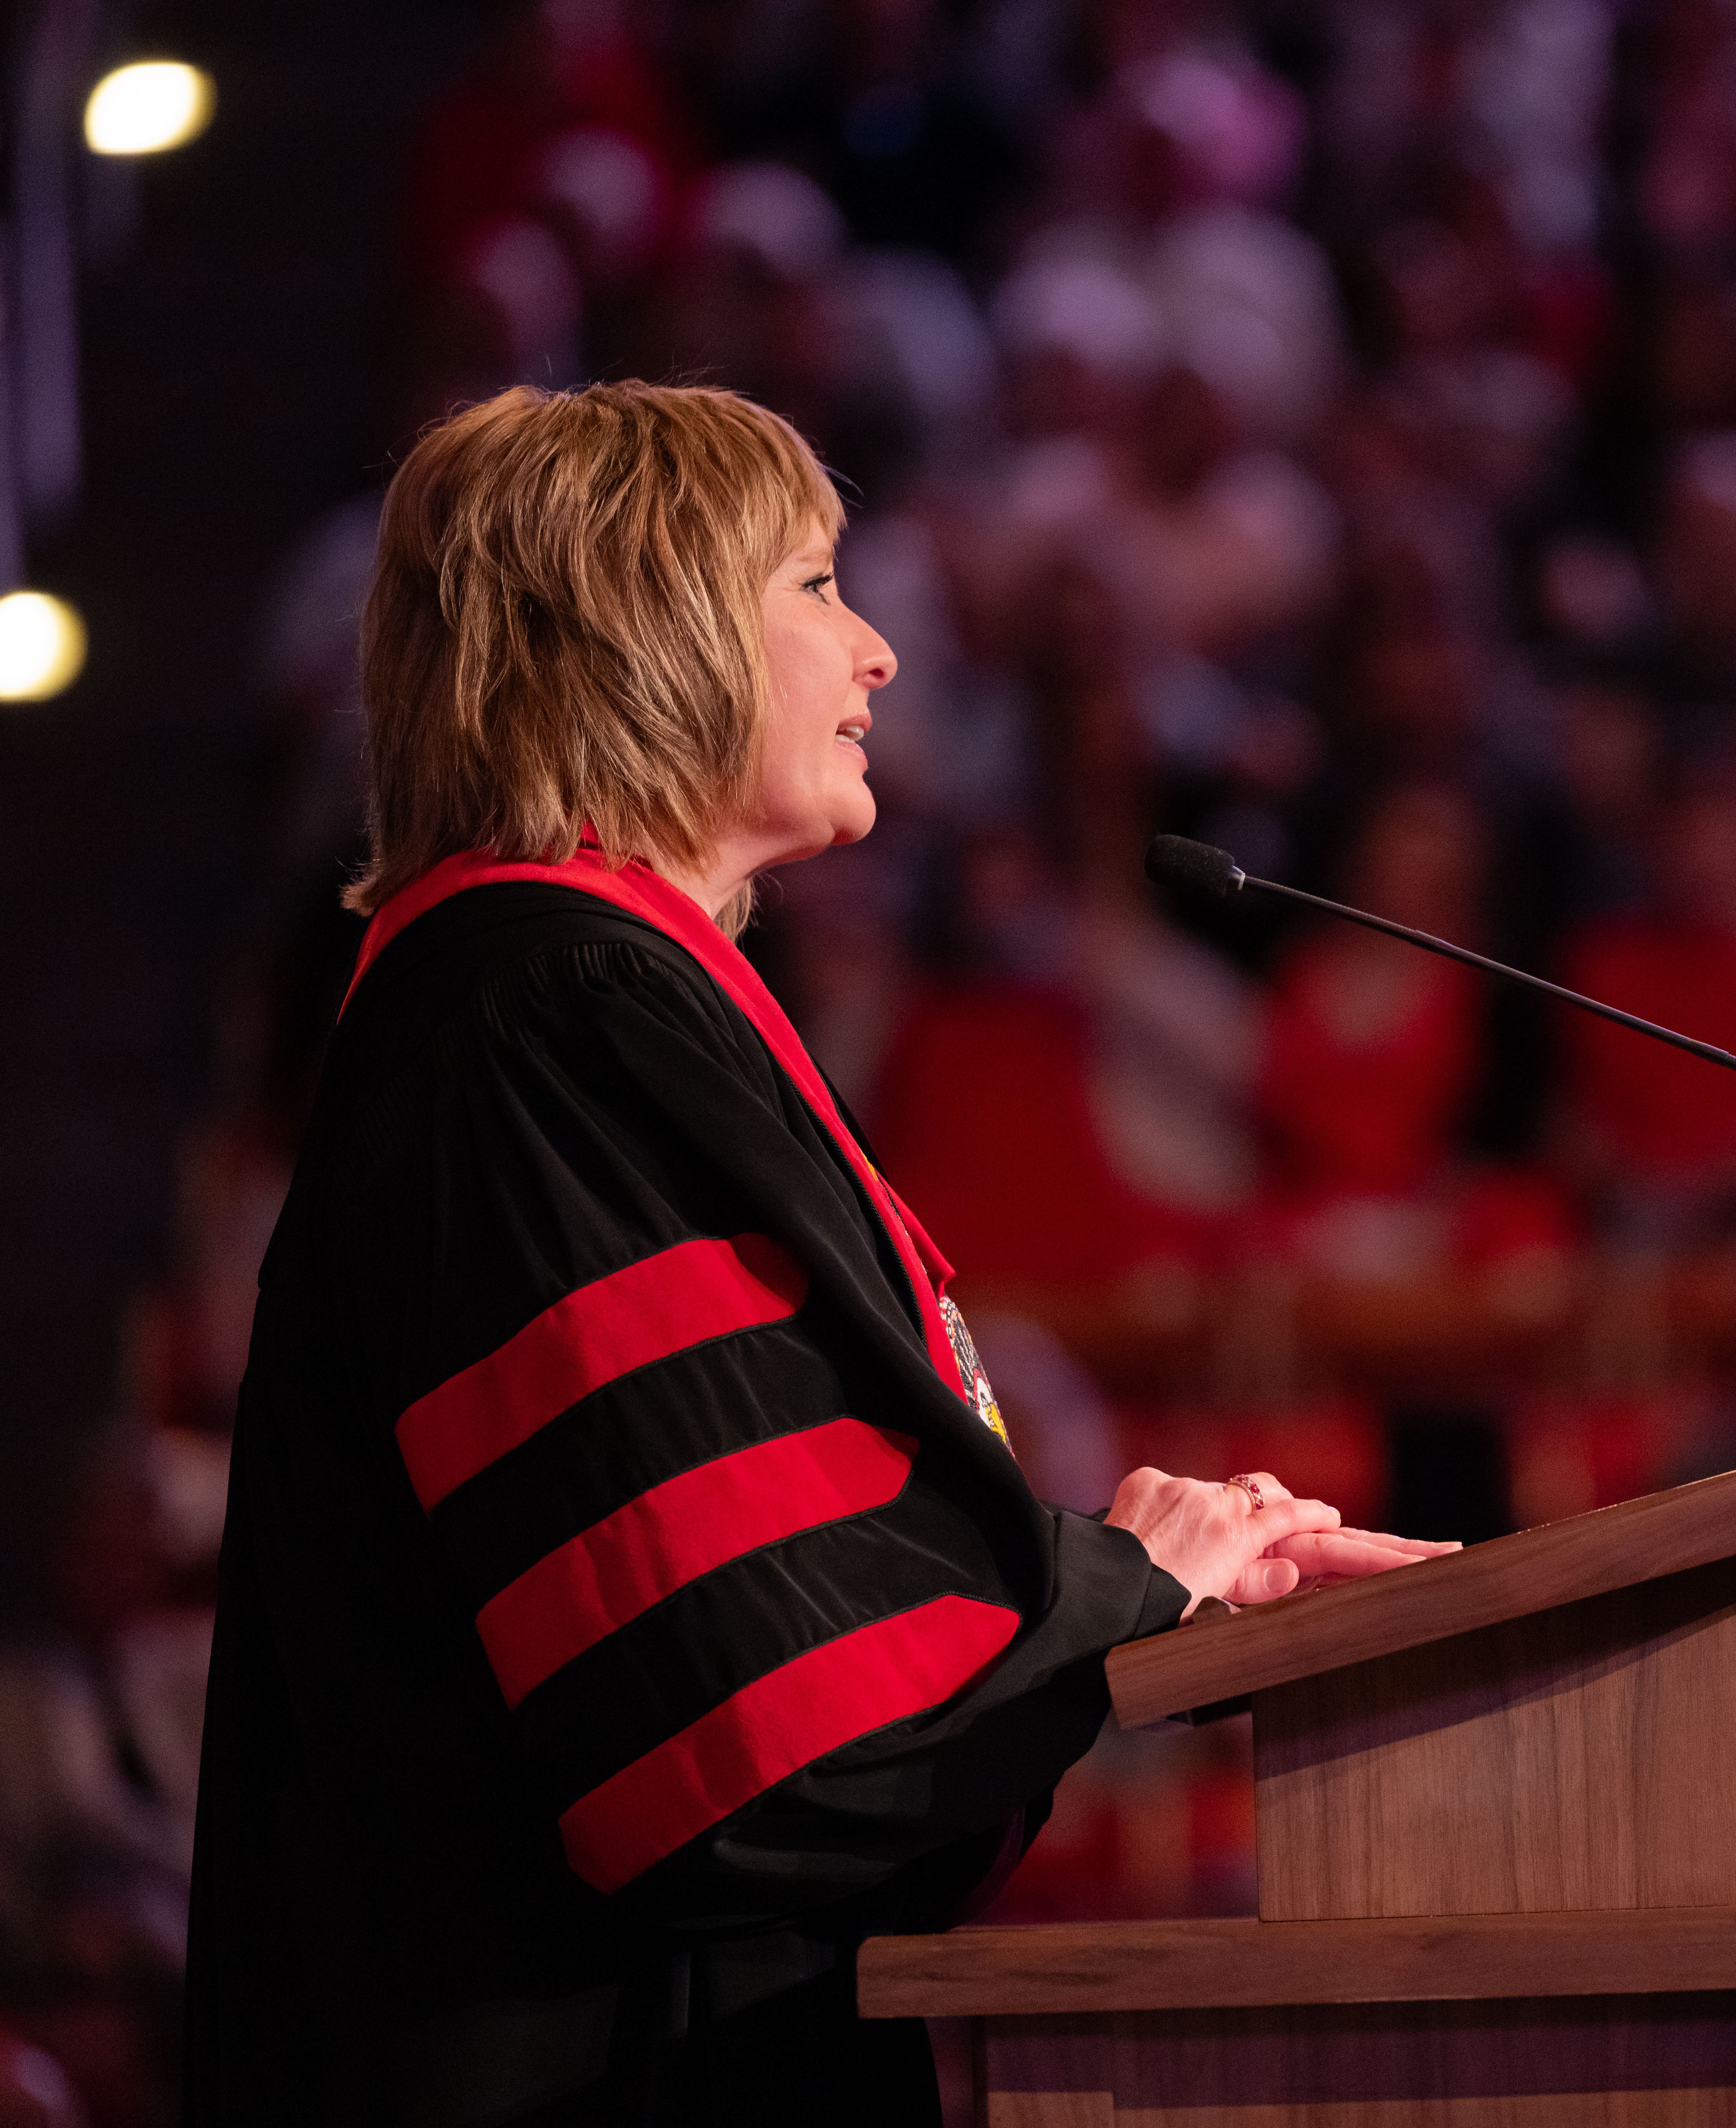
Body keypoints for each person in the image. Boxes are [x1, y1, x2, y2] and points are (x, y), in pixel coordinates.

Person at [182, 382, 1444, 2127]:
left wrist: (1167, 1579)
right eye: (810, 586)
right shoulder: (550, 1006)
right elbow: (740, 1726)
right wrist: (1118, 1587)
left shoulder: (553, 988)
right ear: (652, 626)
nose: (877, 654)